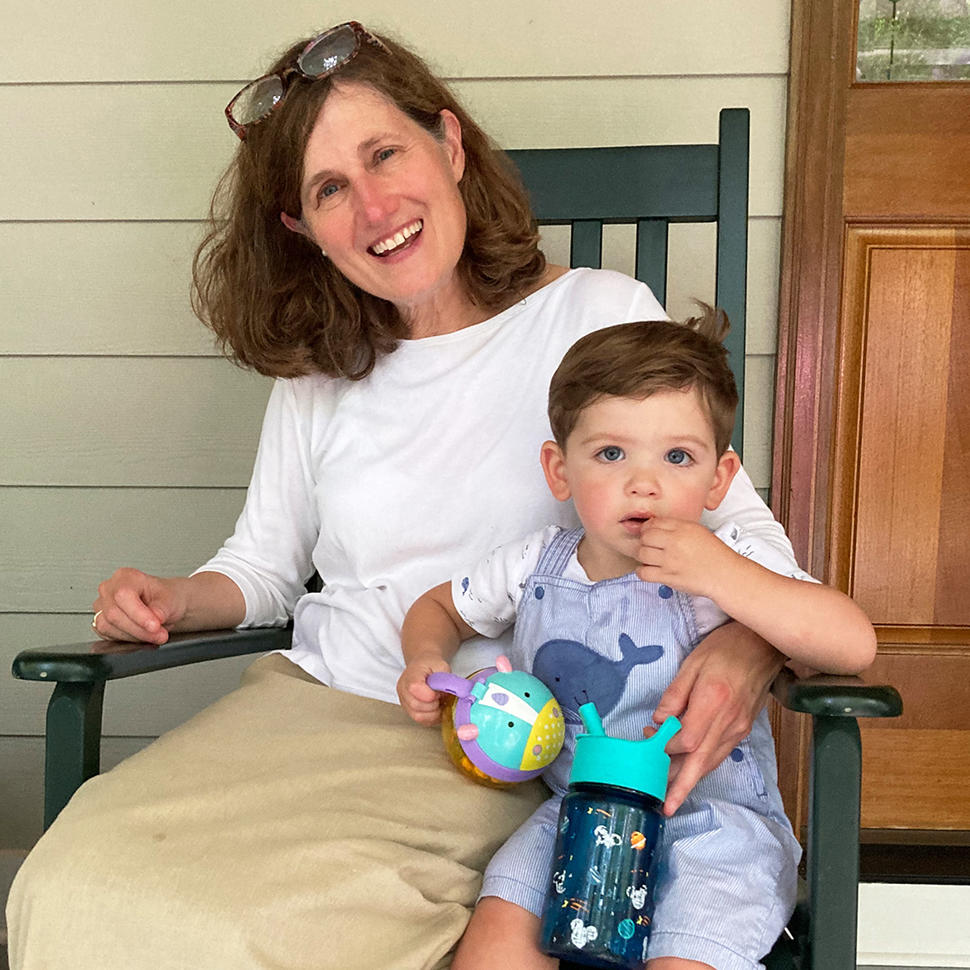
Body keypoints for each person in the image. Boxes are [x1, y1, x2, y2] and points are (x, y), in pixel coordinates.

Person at [9, 22, 807, 970]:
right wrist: (177, 599)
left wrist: (747, 643)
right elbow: (261, 570)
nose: (375, 205)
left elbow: (747, 540)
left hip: (488, 744)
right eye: (329, 188)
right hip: (304, 710)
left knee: (267, 933)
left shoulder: (596, 314)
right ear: (301, 231)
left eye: (385, 152)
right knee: (72, 884)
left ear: (452, 143)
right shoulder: (319, 371)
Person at [397, 313, 876, 970]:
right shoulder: (535, 564)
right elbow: (438, 609)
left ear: (719, 478)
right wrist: (425, 657)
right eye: (611, 454)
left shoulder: (731, 559)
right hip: (576, 812)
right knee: (497, 940)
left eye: (677, 456)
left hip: (715, 827)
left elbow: (852, 644)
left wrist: (725, 576)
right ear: (559, 470)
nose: (643, 482)